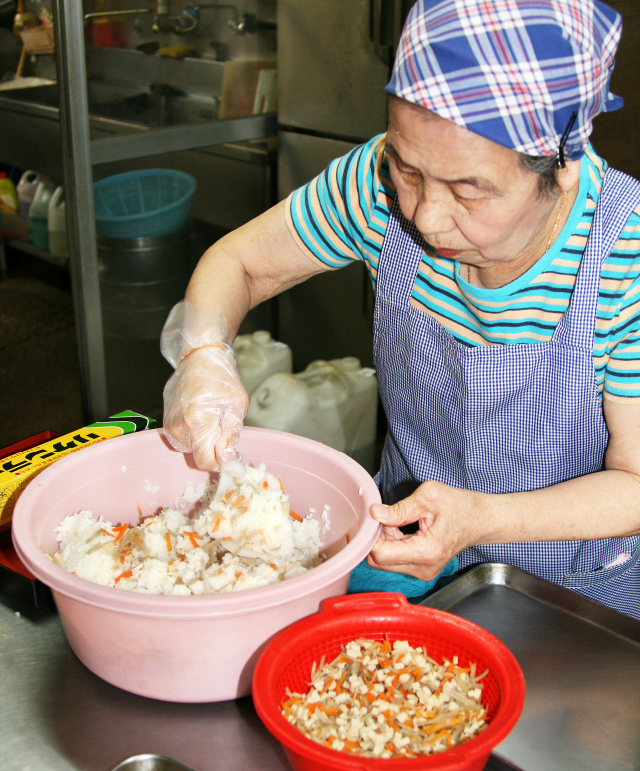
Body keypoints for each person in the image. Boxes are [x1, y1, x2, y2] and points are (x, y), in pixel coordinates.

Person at [161, 0, 640, 618]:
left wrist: (482, 520)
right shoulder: (378, 186)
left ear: (563, 167)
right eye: (407, 168)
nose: (425, 215)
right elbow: (242, 263)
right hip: (404, 563)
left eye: (470, 189)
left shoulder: (624, 258)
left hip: (574, 602)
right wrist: (202, 353)